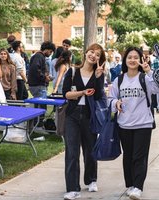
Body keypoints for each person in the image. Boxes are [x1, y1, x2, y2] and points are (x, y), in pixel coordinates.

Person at [108, 47, 159, 200]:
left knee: (140, 157)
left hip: (143, 124)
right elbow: (110, 99)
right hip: (124, 124)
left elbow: (157, 89)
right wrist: (115, 102)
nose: (132, 60)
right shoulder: (119, 79)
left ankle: (138, 187)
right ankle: (130, 184)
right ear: (125, 60)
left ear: (140, 60)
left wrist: (149, 71)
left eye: (135, 57)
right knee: (128, 156)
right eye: (129, 57)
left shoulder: (144, 78)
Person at [62, 43, 106, 200]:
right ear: (86, 53)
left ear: (100, 59)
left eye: (98, 55)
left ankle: (91, 179)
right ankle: (73, 188)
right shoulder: (73, 71)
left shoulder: (98, 74)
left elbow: (100, 96)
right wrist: (82, 92)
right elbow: (65, 94)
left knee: (90, 151)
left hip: (90, 116)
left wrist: (99, 78)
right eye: (92, 52)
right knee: (72, 152)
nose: (93, 55)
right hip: (72, 116)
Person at [28, 41, 56, 127]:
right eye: (50, 51)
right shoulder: (39, 56)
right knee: (41, 107)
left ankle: (37, 125)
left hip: (36, 85)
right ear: (46, 49)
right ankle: (39, 125)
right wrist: (45, 77)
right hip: (38, 85)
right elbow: (35, 69)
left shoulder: (38, 56)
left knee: (39, 106)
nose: (50, 54)